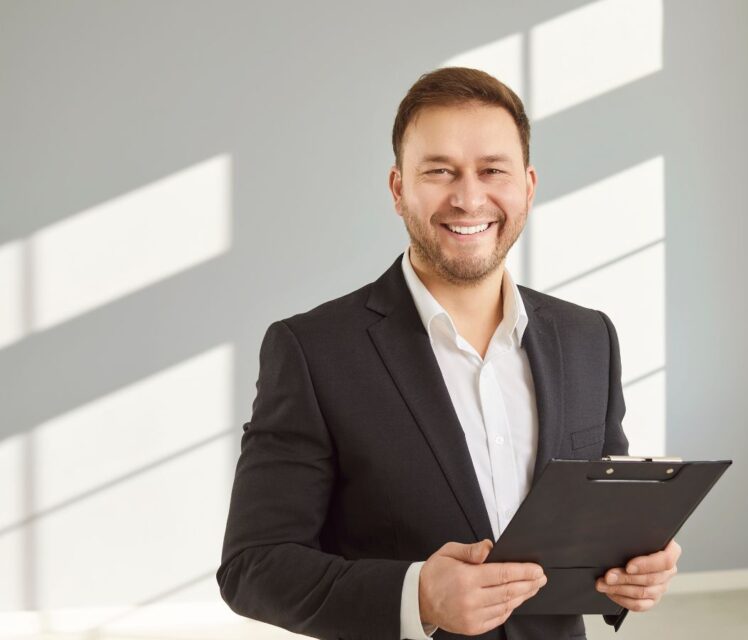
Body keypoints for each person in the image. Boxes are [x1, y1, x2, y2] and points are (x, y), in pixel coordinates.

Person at [217, 67, 681, 640]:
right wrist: (418, 596)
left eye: (493, 170)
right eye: (439, 171)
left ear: (528, 186)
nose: (468, 198)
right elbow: (253, 566)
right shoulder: (312, 351)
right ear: (398, 189)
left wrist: (633, 571)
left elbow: (600, 524)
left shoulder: (590, 338)